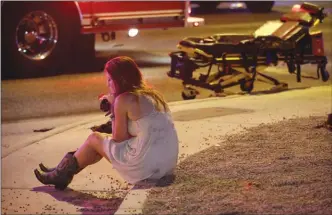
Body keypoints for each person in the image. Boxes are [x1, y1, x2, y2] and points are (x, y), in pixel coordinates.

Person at [34, 56, 179, 190]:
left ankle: (60, 174)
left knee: (95, 139)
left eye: (110, 80)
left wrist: (114, 108)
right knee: (99, 144)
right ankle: (60, 172)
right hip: (167, 164)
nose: (107, 83)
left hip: (146, 168)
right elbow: (138, 128)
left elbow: (118, 139)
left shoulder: (123, 99)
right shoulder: (150, 95)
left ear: (120, 79)